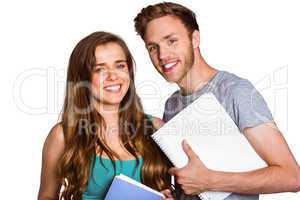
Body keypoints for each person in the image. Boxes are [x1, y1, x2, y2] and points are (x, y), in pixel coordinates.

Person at [134, 2, 300, 200]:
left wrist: (210, 181)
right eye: (153, 48)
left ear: (195, 39)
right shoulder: (171, 105)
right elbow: (190, 179)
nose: (162, 55)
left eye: (171, 41)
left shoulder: (235, 92)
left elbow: (291, 177)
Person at [37, 31, 174, 200]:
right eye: (99, 69)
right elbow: (46, 196)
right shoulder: (63, 135)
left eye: (120, 66)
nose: (113, 76)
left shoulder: (156, 128)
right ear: (82, 78)